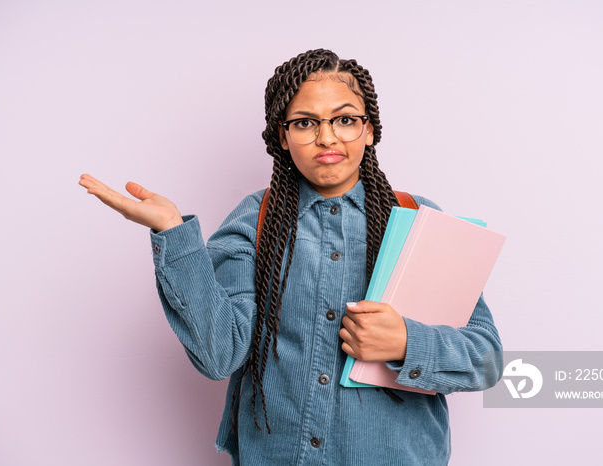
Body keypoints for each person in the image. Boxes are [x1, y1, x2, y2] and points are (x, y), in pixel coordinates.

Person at [79, 49, 503, 465]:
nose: (326, 137)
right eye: (305, 123)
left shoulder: (419, 222)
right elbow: (218, 356)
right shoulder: (254, 221)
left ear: (369, 129)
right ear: (282, 137)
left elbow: (486, 359)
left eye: (345, 119)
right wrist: (173, 232)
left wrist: (407, 343)